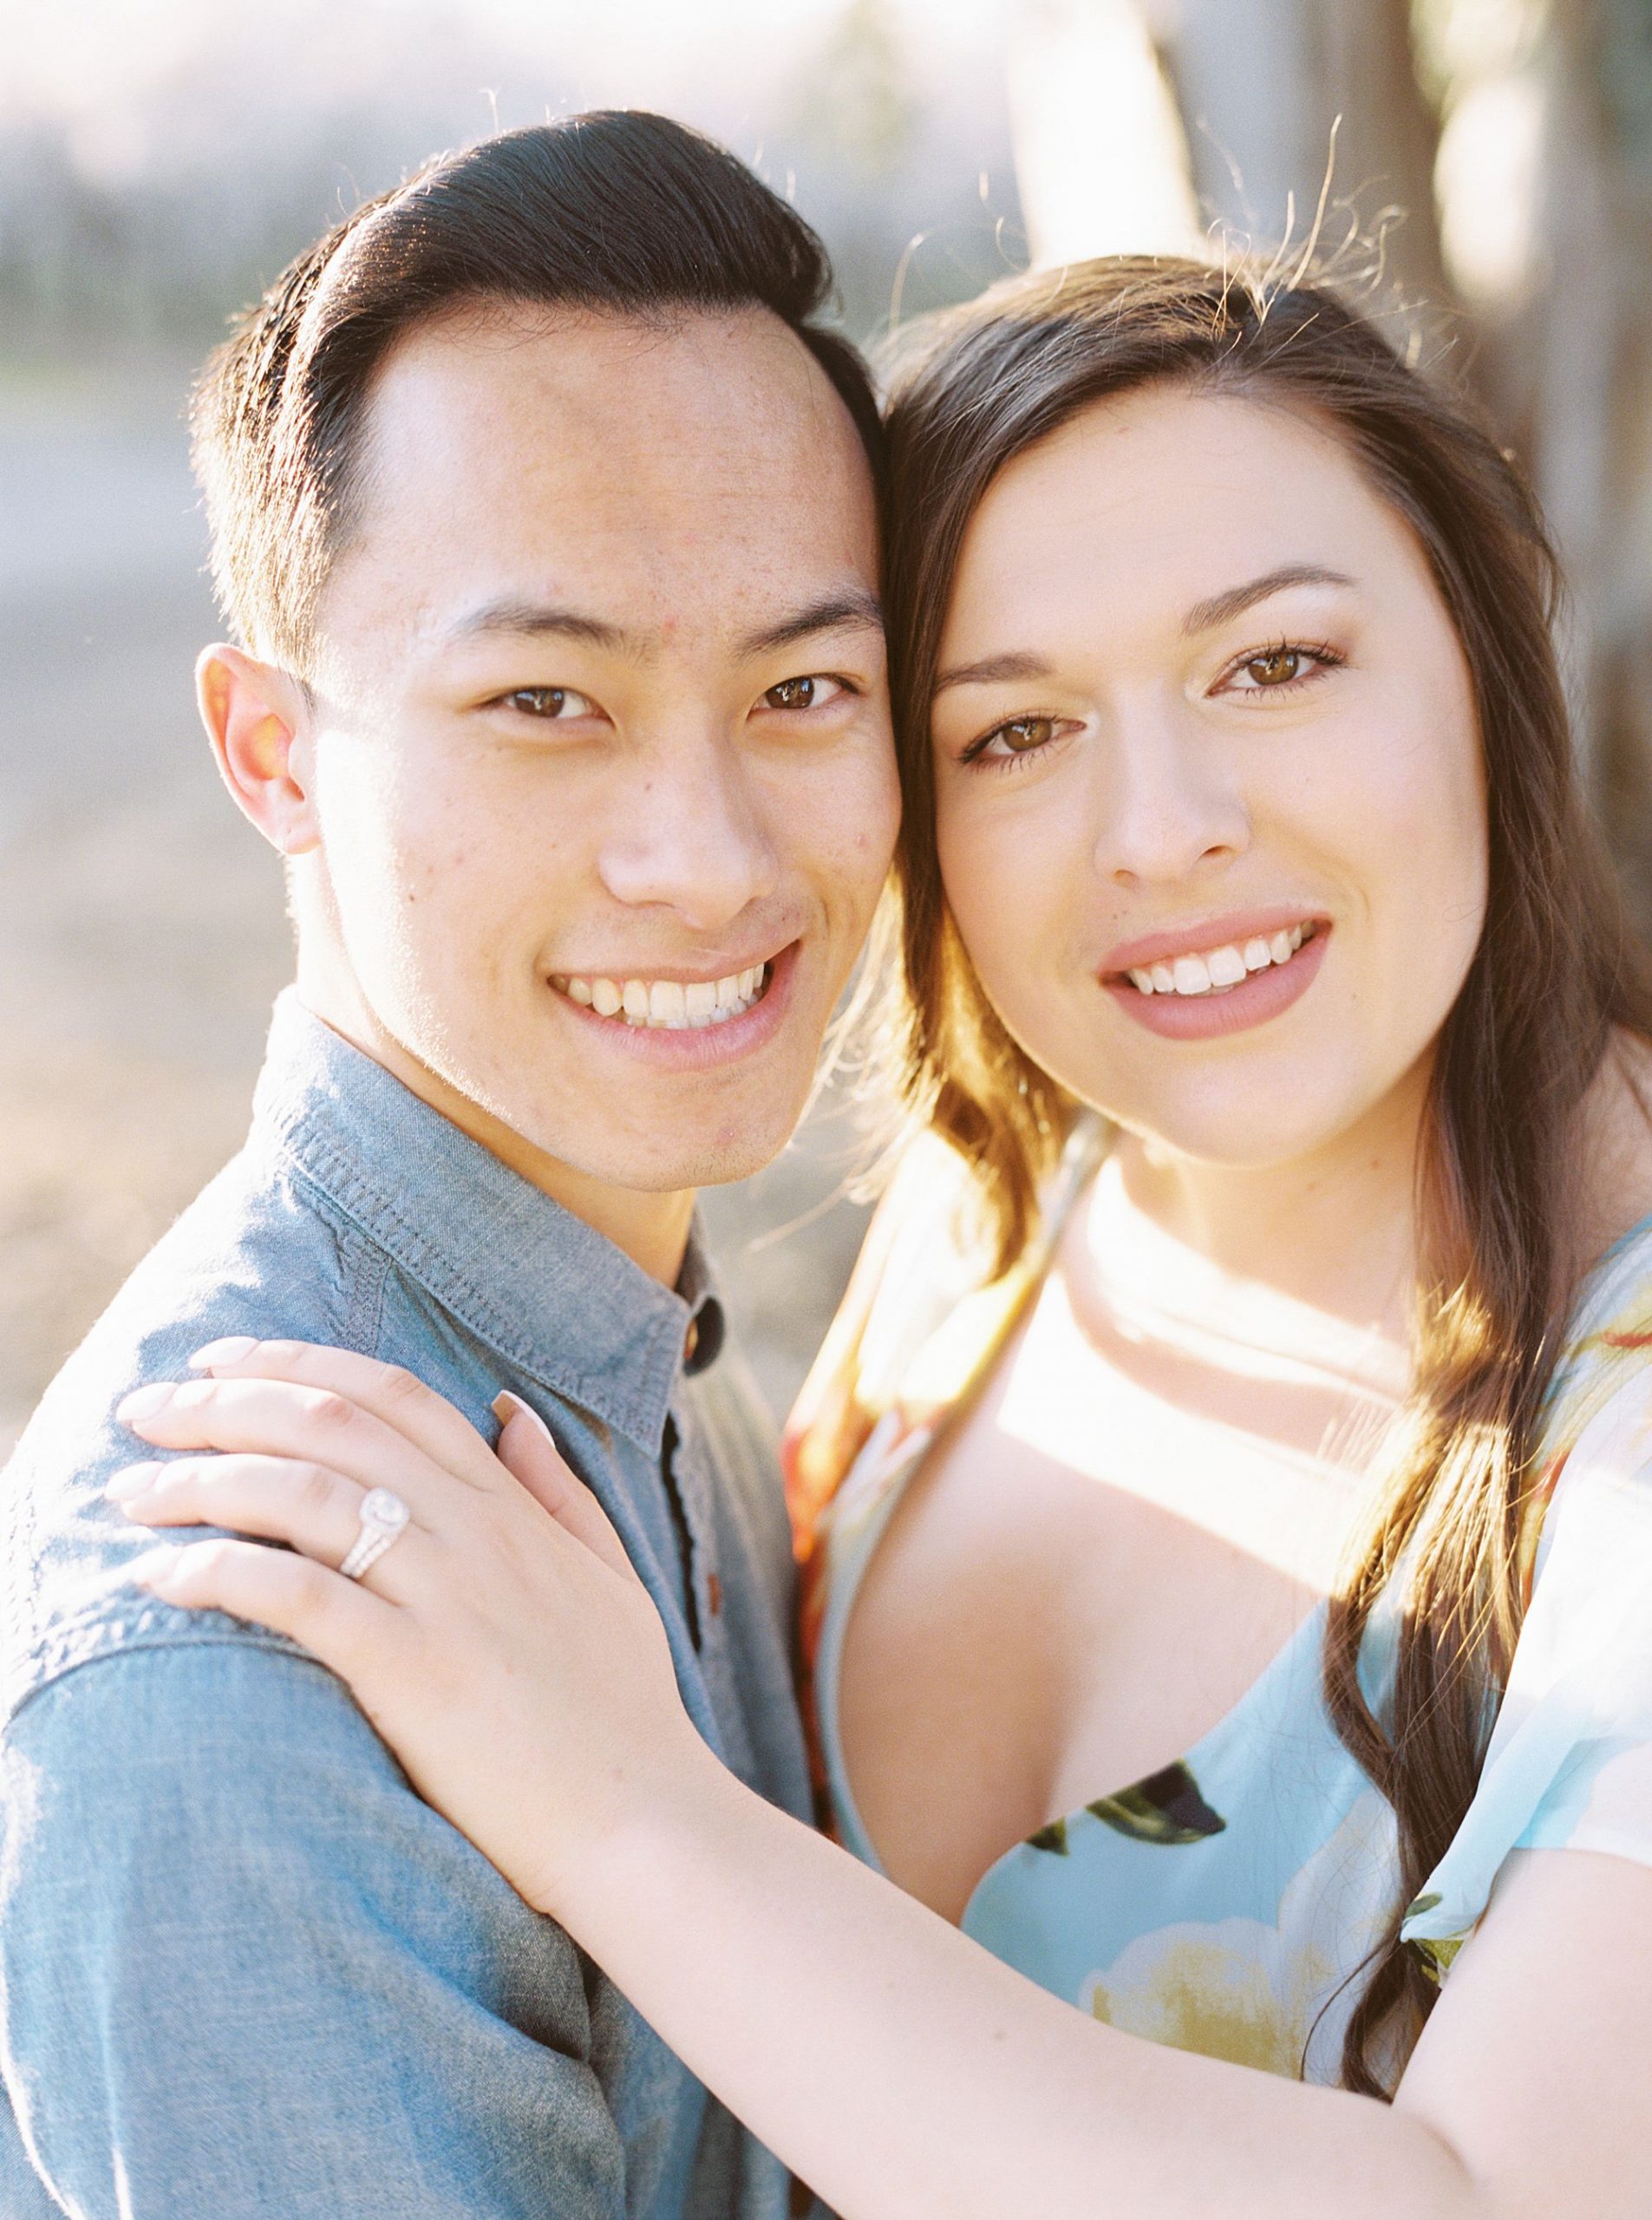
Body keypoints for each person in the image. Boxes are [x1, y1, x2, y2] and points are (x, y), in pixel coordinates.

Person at [119, 253, 1652, 2217]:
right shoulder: (998, 1206)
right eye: (1010, 731)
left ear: (1484, 657)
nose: (1159, 827)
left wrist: (622, 1807)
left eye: (1274, 663)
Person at [0, 114, 899, 2219]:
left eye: (800, 686)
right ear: (272, 752)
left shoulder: (641, 1347)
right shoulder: (239, 1671)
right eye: (544, 699)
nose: (707, 858)